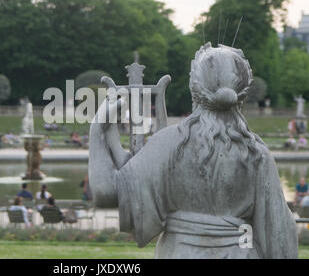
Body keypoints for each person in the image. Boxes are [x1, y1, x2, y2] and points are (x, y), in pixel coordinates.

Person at [89, 44, 297, 258]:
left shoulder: (169, 143)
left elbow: (105, 192)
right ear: (243, 92)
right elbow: (277, 232)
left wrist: (97, 131)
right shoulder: (257, 153)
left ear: (194, 87)